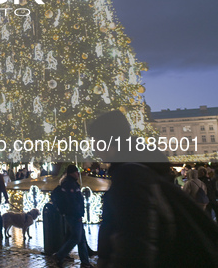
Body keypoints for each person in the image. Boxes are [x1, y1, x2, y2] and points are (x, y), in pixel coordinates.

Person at [89, 110, 218, 267]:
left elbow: (136, 242)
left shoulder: (129, 174)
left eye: (95, 141)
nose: (93, 147)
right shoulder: (143, 168)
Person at [52, 165, 92, 267]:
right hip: (74, 215)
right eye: (76, 172)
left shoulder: (71, 183)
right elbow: (73, 202)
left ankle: (85, 262)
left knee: (81, 239)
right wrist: (78, 214)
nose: (78, 174)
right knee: (76, 238)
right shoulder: (70, 185)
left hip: (73, 215)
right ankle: (60, 255)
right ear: (71, 173)